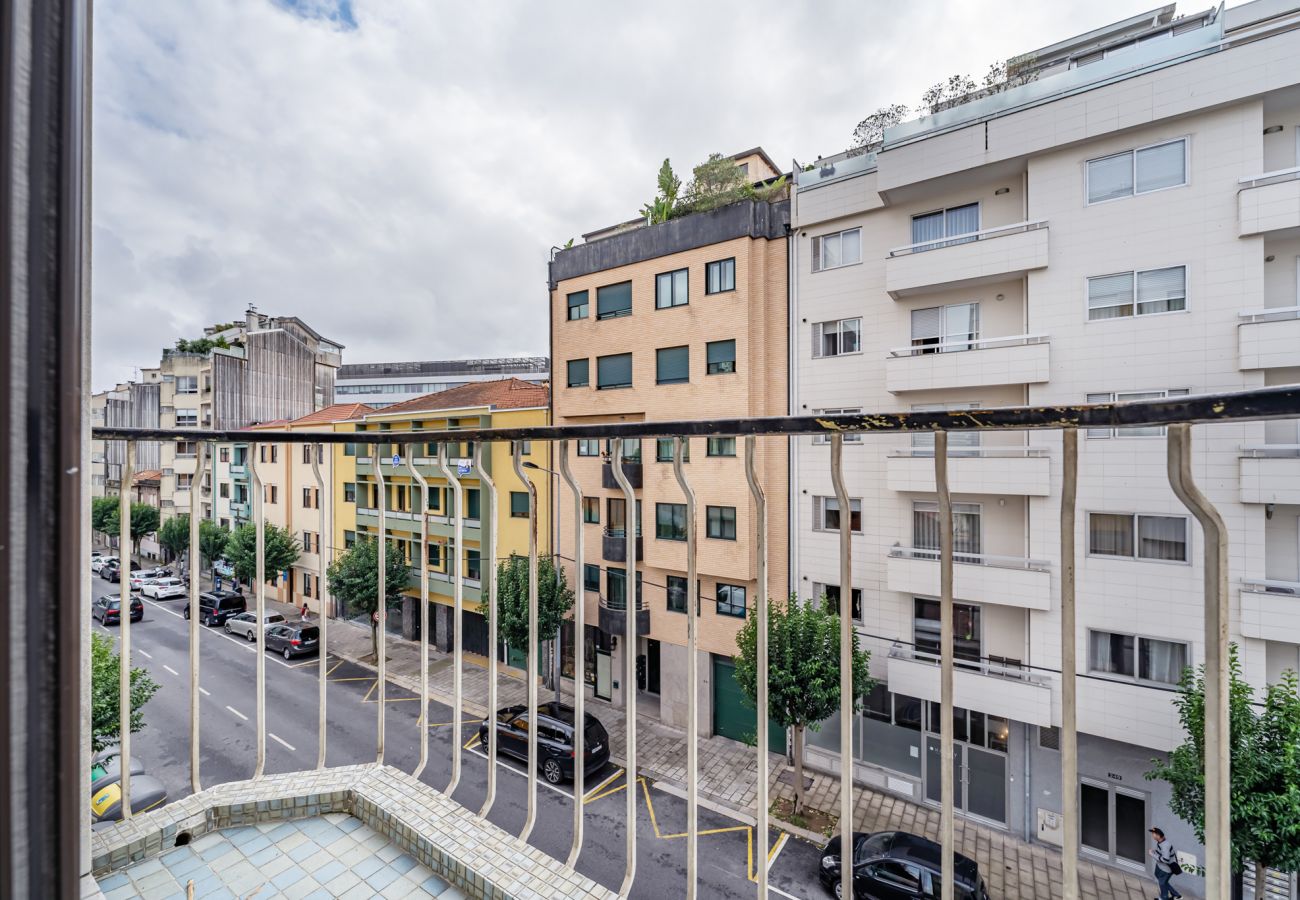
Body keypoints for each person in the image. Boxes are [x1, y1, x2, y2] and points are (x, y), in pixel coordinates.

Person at [1150, 826, 1182, 900]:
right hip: (1160, 866)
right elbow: (1162, 852)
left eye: (1153, 834)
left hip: (1166, 869)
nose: (1152, 835)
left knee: (1162, 883)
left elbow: (1165, 859)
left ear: (1158, 836)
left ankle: (1164, 898)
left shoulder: (1165, 845)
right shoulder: (1161, 842)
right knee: (1163, 882)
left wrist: (1152, 854)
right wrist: (1155, 852)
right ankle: (1177, 896)